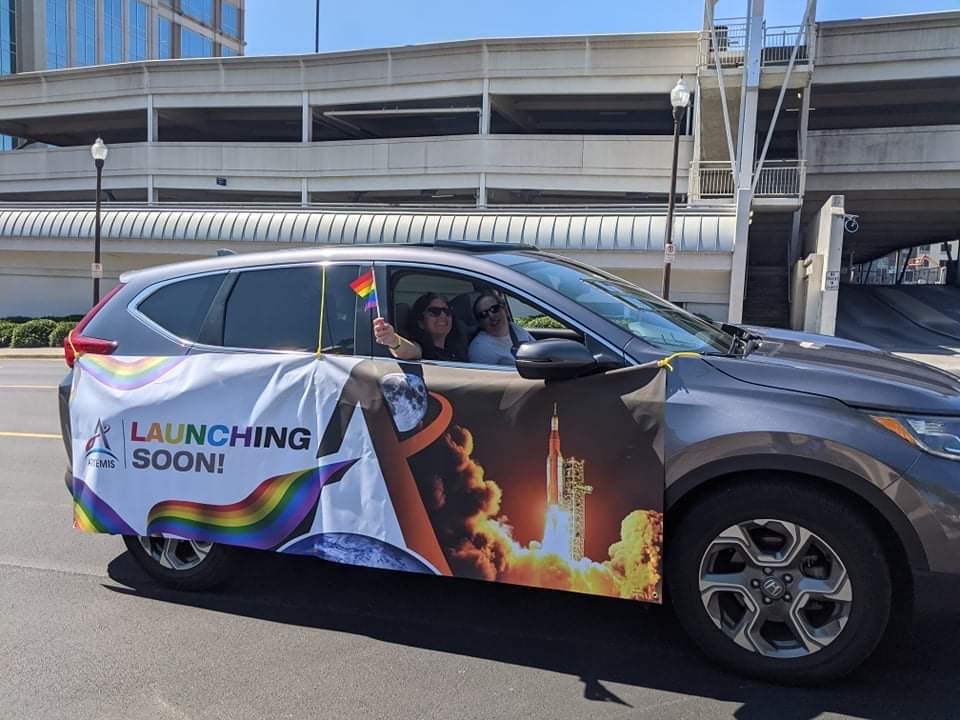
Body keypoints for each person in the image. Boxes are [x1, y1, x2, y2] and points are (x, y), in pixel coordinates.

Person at [373, 293, 466, 362]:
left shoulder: (457, 348)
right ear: (420, 321)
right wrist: (393, 340)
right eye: (434, 311)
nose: (443, 316)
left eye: (447, 311)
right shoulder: (422, 348)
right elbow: (408, 351)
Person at [467, 290, 533, 366]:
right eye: (483, 314)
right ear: (480, 323)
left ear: (504, 309)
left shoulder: (515, 328)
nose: (491, 316)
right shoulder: (479, 349)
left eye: (494, 309)